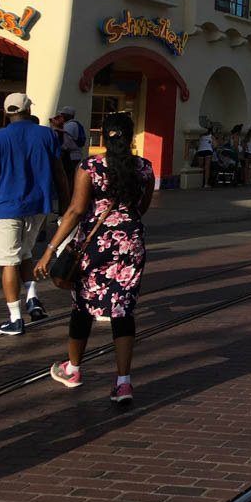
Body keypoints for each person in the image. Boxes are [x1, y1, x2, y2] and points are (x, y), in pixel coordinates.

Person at [35, 112, 153, 402]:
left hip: (94, 246)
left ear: (104, 137)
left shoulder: (90, 166)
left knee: (83, 307)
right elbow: (142, 207)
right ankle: (123, 383)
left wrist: (50, 250)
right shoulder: (144, 168)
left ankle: (73, 369)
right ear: (131, 136)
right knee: (122, 309)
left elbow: (75, 211)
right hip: (130, 244)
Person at [0, 92, 69, 335]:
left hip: (8, 207)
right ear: (29, 110)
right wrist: (65, 205)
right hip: (39, 206)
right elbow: (59, 171)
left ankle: (15, 319)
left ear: (6, 112)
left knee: (9, 262)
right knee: (25, 253)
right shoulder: (47, 134)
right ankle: (32, 298)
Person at [57, 105, 88, 180]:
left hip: (71, 155)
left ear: (67, 115)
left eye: (62, 114)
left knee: (67, 175)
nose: (61, 116)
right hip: (76, 155)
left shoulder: (69, 126)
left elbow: (64, 141)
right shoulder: (76, 124)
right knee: (70, 174)